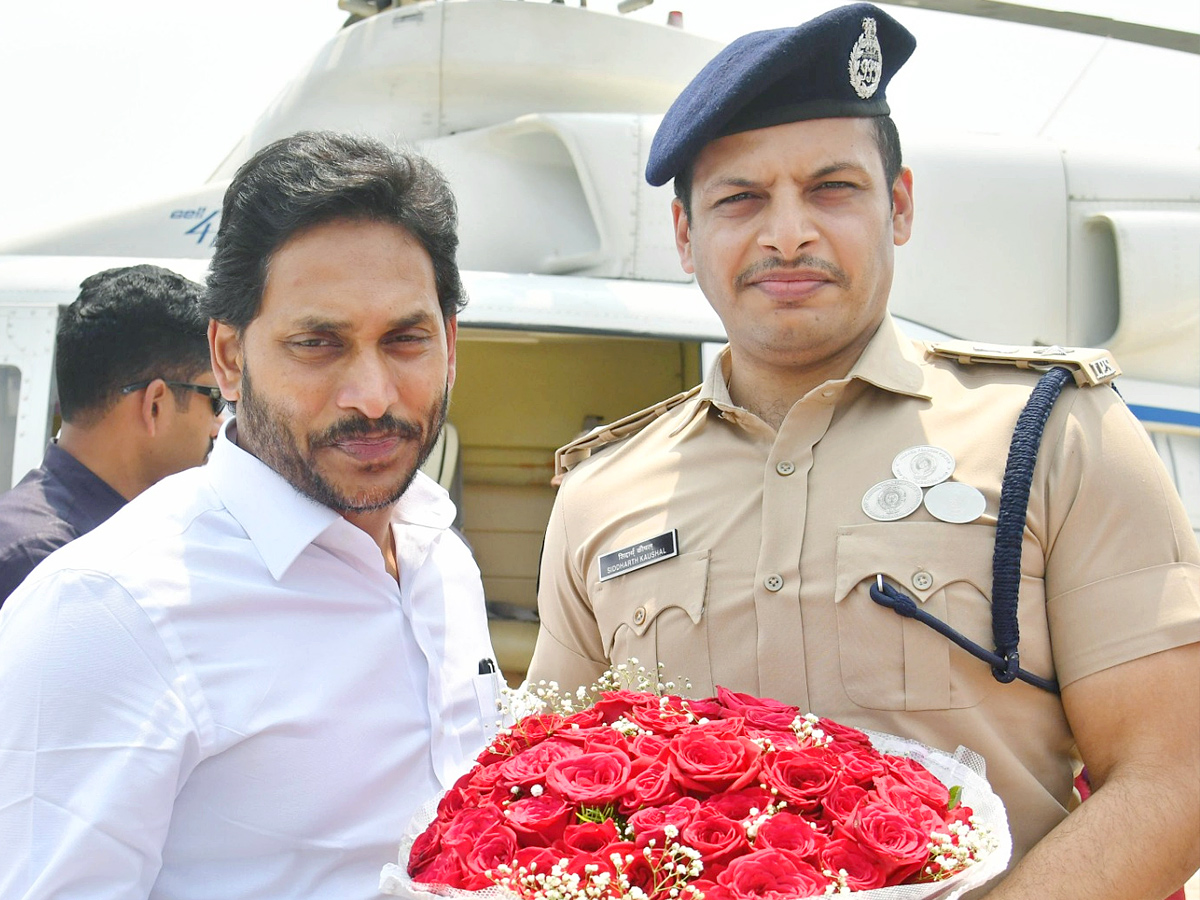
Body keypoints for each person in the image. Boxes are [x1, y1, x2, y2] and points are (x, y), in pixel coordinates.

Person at [526, 5, 1200, 898]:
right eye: (739, 199)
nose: (788, 233)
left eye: (832, 188)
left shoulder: (1056, 436)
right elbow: (538, 794)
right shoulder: (601, 493)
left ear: (902, 205)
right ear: (686, 237)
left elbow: (1172, 772)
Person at [0, 132, 498, 899]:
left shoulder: (440, 556)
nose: (371, 393)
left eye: (405, 340)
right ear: (229, 358)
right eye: (317, 344)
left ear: (452, 343)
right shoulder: (110, 610)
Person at [0, 264, 221, 605]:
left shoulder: (53, 540)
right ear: (155, 405)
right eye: (214, 399)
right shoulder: (50, 565)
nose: (218, 425)